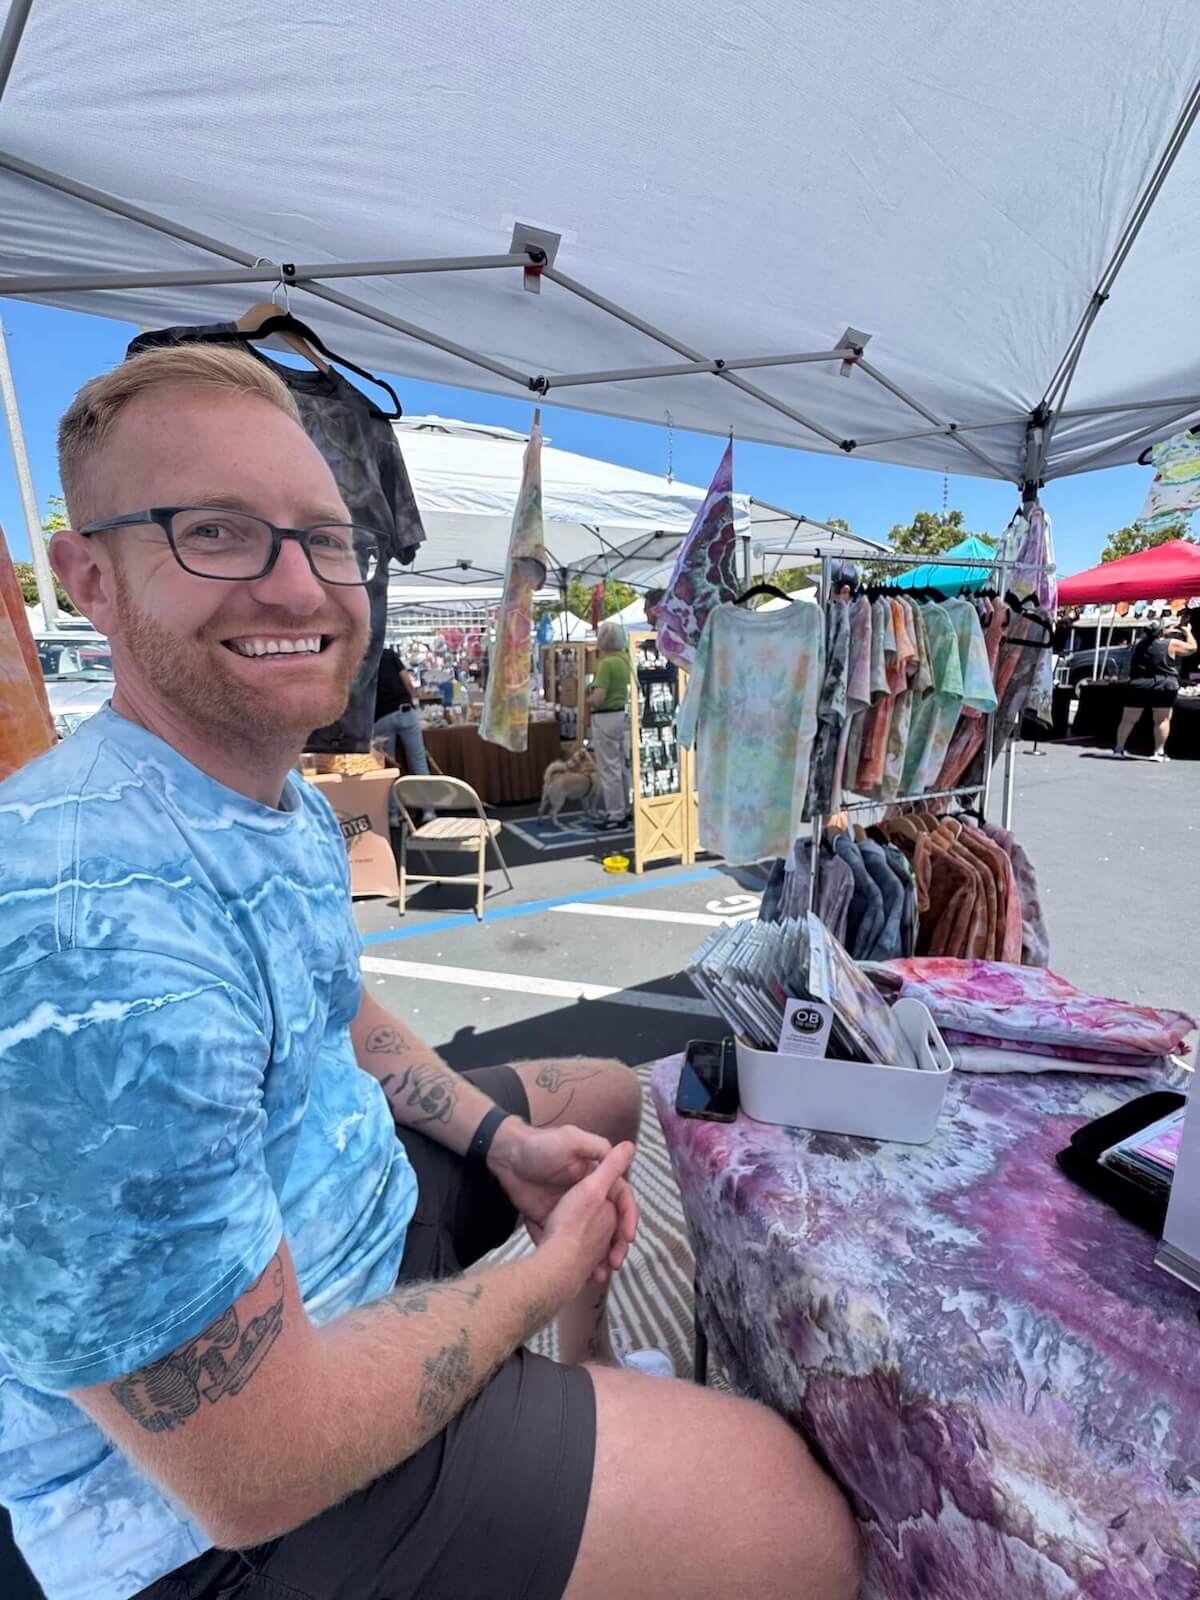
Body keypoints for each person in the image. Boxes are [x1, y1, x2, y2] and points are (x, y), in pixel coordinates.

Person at [0, 346, 859, 1600]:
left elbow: (335, 1007)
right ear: (88, 579)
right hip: (198, 1529)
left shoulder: (276, 804)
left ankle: (594, 1394)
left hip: (344, 1230)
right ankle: (573, 1433)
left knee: (603, 1096)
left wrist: (497, 1144)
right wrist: (539, 1284)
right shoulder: (84, 935)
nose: (299, 583)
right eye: (218, 533)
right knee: (794, 1520)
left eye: (326, 537)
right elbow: (250, 1469)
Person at [1113, 616, 1196, 761]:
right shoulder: (1171, 643)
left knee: (1128, 719)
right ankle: (1158, 752)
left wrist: (1166, 630)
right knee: (1162, 720)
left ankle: (1119, 749)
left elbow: (1153, 640)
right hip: (1163, 685)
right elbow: (1192, 648)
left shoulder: (1138, 644)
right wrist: (1188, 632)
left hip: (1139, 684)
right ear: (1161, 631)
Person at [588, 616, 634, 829]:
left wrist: (587, 700)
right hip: (624, 715)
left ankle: (615, 813)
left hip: (605, 717)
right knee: (624, 767)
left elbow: (599, 696)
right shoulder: (627, 659)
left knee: (609, 769)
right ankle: (627, 808)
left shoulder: (606, 664)